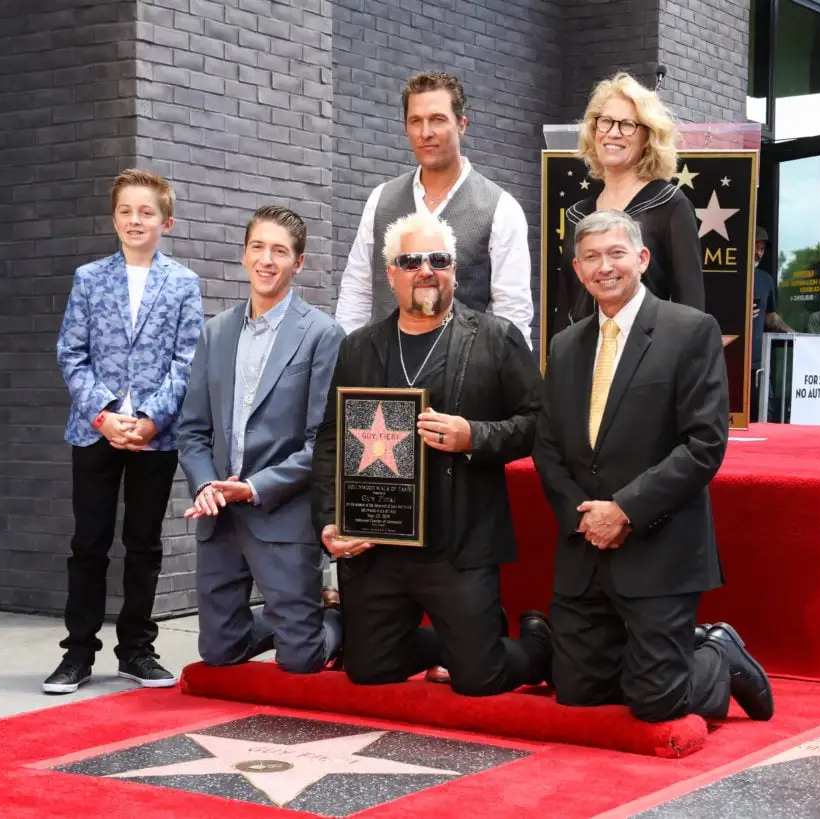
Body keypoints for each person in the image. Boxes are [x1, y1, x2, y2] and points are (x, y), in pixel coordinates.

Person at [533, 210, 773, 723]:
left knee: (655, 704)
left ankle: (716, 656)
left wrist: (623, 511)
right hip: (584, 550)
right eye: (592, 257)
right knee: (578, 697)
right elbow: (547, 446)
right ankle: (655, 662)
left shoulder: (689, 331)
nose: (605, 267)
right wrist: (586, 518)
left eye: (616, 253)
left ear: (641, 259)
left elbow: (704, 444)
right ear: (577, 270)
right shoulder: (565, 345)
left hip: (659, 547)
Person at [311, 211, 551, 696]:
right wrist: (330, 519)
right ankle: (454, 642)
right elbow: (331, 439)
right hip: (379, 545)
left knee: (480, 679)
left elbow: (540, 425)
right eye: (411, 260)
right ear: (391, 274)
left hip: (458, 544)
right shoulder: (358, 348)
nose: (426, 269)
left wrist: (474, 437)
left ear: (455, 271)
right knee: (368, 669)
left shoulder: (497, 338)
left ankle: (537, 647)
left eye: (438, 259)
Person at [48, 169, 203, 694]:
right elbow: (71, 353)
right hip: (95, 431)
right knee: (89, 542)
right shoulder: (89, 278)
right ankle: (77, 655)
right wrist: (103, 415)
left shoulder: (182, 282)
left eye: (147, 212)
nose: (136, 220)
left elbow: (187, 361)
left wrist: (152, 418)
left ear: (166, 220)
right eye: (126, 212)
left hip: (154, 436)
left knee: (144, 543)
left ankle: (137, 650)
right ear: (114, 218)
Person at [177, 206, 345, 673]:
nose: (266, 260)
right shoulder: (215, 333)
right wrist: (207, 485)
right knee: (218, 652)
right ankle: (290, 620)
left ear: (299, 262)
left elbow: (322, 444)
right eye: (258, 247)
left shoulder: (322, 335)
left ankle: (334, 620)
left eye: (280, 251)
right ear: (244, 254)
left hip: (282, 513)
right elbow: (192, 429)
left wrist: (254, 487)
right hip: (222, 517)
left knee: (302, 660)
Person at [334, 71, 534, 348]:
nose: (425, 133)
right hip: (384, 375)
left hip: (462, 377)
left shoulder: (500, 208)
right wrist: (345, 360)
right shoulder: (381, 200)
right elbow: (357, 292)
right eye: (416, 121)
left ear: (462, 124)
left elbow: (513, 313)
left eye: (437, 120)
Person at [556, 72, 704, 332]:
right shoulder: (577, 216)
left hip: (650, 361)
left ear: (647, 137)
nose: (613, 133)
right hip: (585, 359)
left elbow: (690, 307)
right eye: (606, 122)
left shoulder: (669, 205)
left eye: (627, 125)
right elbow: (566, 304)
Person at [751, 226, 794, 421]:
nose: (758, 252)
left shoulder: (766, 279)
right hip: (730, 360)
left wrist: (794, 334)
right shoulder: (731, 274)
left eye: (761, 248)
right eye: (755, 246)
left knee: (762, 417)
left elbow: (770, 316)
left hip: (759, 362)